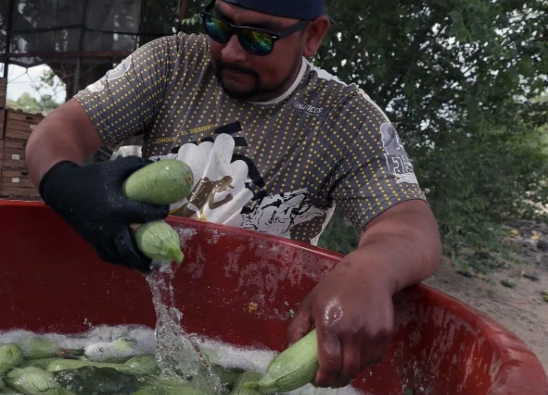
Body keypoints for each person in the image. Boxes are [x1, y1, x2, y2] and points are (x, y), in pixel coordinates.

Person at [25, 0, 442, 389]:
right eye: (218, 25)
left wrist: (368, 271)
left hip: (253, 342)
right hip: (140, 326)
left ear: (312, 35)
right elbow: (61, 131)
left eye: (259, 37)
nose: (231, 53)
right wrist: (68, 183)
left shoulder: (343, 118)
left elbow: (408, 225)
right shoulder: (173, 64)